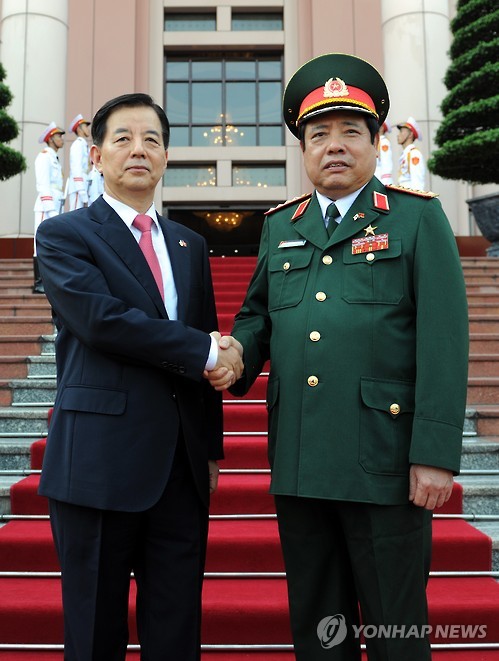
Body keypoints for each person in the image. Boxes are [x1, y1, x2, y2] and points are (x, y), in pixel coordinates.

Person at [208, 53, 469, 660]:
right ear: (302, 149)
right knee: (320, 629)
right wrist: (237, 352)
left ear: (376, 143)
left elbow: (444, 341)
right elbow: (257, 317)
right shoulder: (282, 226)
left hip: (385, 462)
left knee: (395, 629)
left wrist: (434, 454)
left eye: (351, 131)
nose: (334, 146)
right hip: (301, 461)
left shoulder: (416, 219)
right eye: (318, 134)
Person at [36, 93, 243, 660]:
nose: (139, 150)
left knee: (176, 631)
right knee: (94, 633)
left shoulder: (190, 244)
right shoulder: (64, 235)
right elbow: (102, 322)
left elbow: (202, 337)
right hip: (96, 464)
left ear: (166, 157)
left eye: (152, 140)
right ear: (96, 155)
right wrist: (208, 351)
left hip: (180, 469)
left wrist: (210, 448)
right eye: (123, 138)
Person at [33, 121, 65, 293]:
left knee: (53, 243)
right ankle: (39, 283)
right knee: (40, 243)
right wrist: (51, 209)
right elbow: (43, 185)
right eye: (59, 136)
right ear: (50, 139)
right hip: (46, 206)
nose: (61, 139)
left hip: (56, 203)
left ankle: (48, 282)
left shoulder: (54, 158)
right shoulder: (44, 157)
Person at [67, 113, 91, 210]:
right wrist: (81, 191)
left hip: (84, 185)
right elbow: (76, 169)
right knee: (76, 214)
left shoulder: (84, 145)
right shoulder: (77, 145)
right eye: (85, 126)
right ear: (79, 129)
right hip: (78, 188)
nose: (88, 129)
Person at [397, 116, 426, 190]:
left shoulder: (414, 154)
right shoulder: (405, 154)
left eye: (401, 131)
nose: (398, 135)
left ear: (410, 135)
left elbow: (417, 182)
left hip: (409, 195)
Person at [374, 119, 393, 185]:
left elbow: (386, 163)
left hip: (381, 179)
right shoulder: (377, 141)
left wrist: (385, 183)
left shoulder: (384, 142)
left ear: (381, 128)